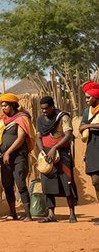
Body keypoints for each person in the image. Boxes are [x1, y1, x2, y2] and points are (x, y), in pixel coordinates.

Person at [36, 96, 78, 223]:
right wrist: (43, 151)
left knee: (67, 182)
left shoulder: (63, 117)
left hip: (62, 154)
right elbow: (38, 137)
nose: (44, 111)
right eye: (42, 109)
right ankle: (51, 214)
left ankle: (72, 213)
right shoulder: (40, 120)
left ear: (52, 107)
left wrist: (55, 148)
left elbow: (68, 135)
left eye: (46, 108)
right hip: (46, 155)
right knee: (47, 184)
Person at [0, 93, 34, 221]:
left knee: (21, 183)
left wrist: (8, 152)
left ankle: (28, 214)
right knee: (7, 184)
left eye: (5, 105)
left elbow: (21, 137)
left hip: (18, 156)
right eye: (1, 106)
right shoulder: (2, 120)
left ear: (12, 105)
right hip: (4, 158)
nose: (3, 108)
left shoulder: (21, 118)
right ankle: (13, 213)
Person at [80, 81, 99, 214]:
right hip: (92, 148)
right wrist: (87, 126)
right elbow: (81, 127)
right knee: (96, 182)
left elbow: (85, 126)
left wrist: (88, 126)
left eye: (88, 97)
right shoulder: (87, 111)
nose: (86, 100)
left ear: (96, 97)